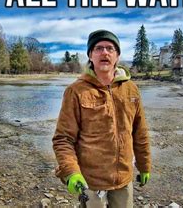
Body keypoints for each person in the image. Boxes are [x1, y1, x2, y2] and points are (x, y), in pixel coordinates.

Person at [52, 29, 151, 207]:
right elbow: (63, 139)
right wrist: (71, 172)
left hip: (123, 176)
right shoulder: (75, 91)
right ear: (90, 55)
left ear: (117, 56)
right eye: (98, 48)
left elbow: (140, 132)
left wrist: (144, 165)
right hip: (90, 179)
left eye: (110, 48)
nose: (104, 52)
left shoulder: (131, 89)